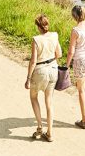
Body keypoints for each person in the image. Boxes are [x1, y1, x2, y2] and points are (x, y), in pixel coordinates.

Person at [25, 14, 61, 142]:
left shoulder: (36, 40)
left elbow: (33, 61)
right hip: (53, 69)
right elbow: (59, 54)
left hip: (40, 71)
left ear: (38, 27)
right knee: (49, 102)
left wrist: (28, 78)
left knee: (33, 97)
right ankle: (50, 132)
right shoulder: (55, 35)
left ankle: (40, 127)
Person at [65, 5, 85, 129]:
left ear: (74, 16)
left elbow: (71, 51)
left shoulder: (75, 30)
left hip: (81, 60)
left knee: (81, 90)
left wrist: (67, 65)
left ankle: (84, 120)